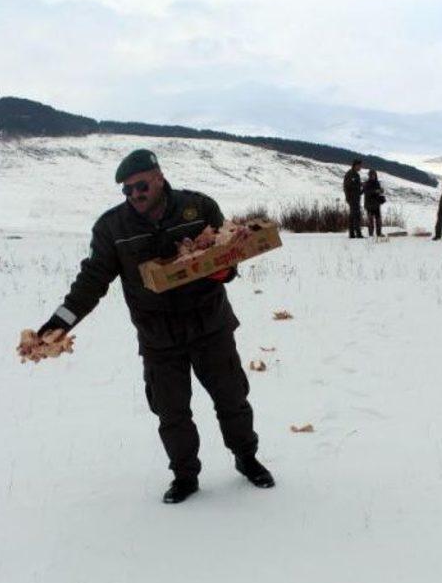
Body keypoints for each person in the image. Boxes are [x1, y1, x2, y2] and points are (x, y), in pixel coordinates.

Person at [28, 148, 275, 504]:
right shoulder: (112, 228)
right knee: (171, 413)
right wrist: (58, 324)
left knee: (232, 398)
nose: (134, 195)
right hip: (159, 337)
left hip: (210, 325)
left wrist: (224, 271)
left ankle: (247, 459)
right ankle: (185, 477)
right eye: (127, 190)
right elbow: (91, 281)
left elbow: (228, 254)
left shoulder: (199, 207)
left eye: (141, 186)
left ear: (158, 177)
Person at [343, 159, 364, 238]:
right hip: (352, 198)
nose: (361, 167)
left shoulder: (356, 174)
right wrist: (360, 186)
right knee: (356, 215)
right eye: (360, 165)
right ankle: (358, 233)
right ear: (355, 165)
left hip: (356, 197)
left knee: (353, 216)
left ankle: (352, 234)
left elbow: (356, 187)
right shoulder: (350, 174)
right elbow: (348, 186)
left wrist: (362, 187)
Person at [362, 168, 385, 237]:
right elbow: (367, 192)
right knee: (370, 220)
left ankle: (379, 233)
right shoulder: (366, 183)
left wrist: (381, 191)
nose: (373, 176)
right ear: (369, 176)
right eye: (371, 175)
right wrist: (376, 191)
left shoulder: (377, 183)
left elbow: (378, 192)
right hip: (369, 204)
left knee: (378, 219)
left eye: (374, 175)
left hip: (376, 204)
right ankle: (371, 234)